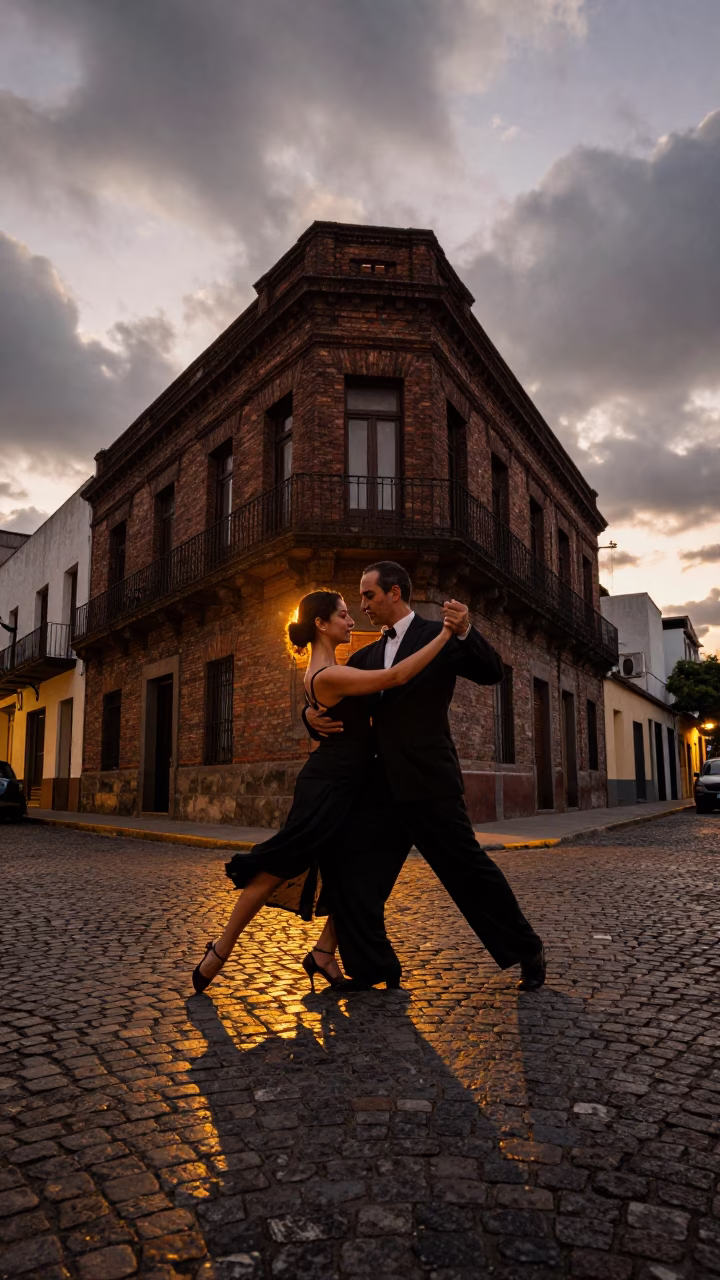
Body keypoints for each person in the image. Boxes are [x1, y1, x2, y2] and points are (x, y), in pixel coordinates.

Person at [191, 588, 460, 994]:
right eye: (343, 615)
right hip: (327, 787)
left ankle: (323, 953)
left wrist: (306, 714)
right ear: (320, 623)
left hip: (349, 783)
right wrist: (444, 635)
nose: (352, 622)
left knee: (352, 871)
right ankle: (219, 951)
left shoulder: (329, 669)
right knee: (274, 871)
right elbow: (396, 676)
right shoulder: (329, 674)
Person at [304, 561, 546, 991]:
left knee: (468, 871)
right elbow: (337, 703)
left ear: (395, 593)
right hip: (380, 785)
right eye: (359, 599)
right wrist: (309, 715)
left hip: (430, 781)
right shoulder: (364, 656)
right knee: (359, 873)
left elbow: (492, 673)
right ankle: (372, 967)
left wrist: (468, 629)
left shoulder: (440, 635)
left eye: (369, 596)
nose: (362, 606)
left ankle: (527, 949)